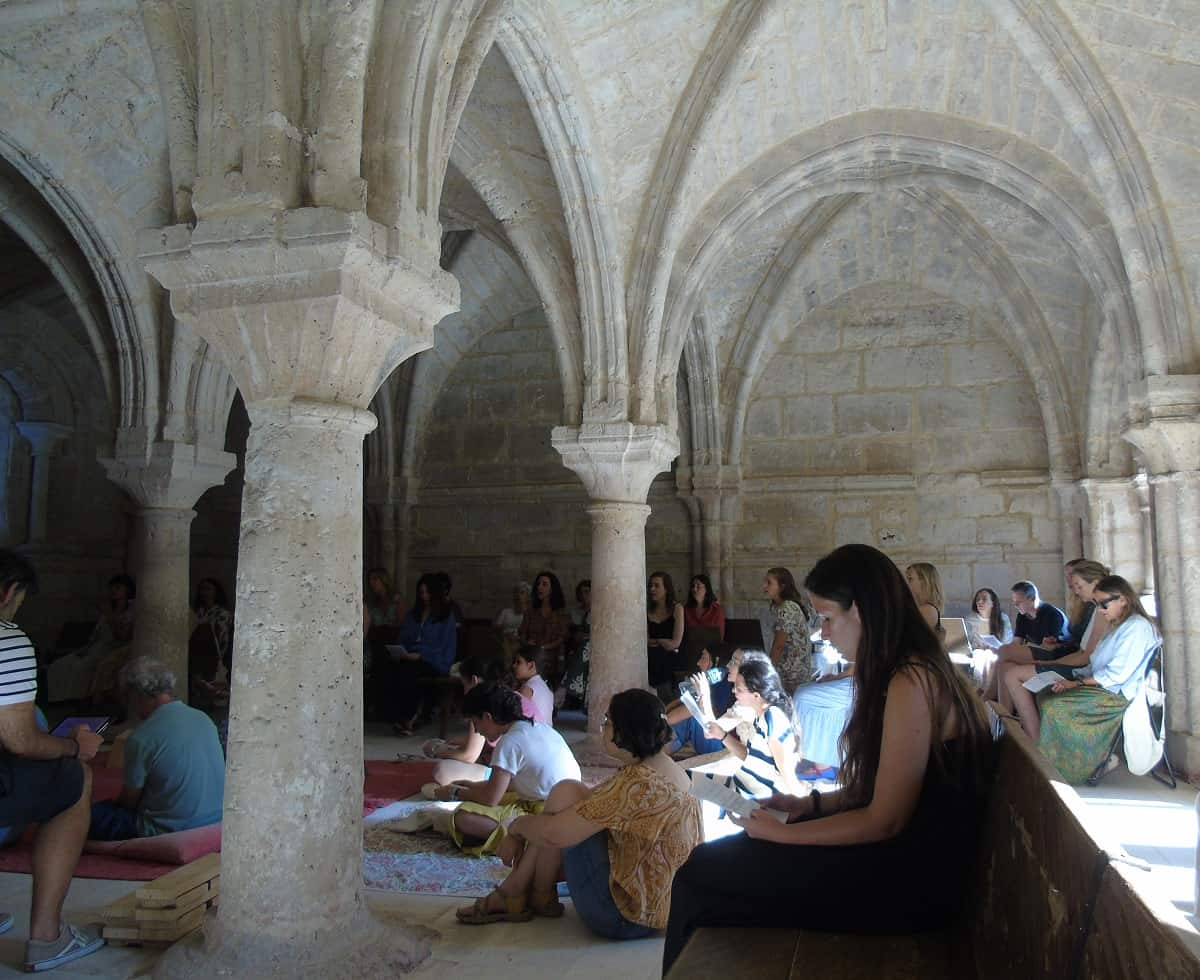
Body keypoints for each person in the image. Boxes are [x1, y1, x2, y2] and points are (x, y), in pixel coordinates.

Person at [663, 544, 993, 973]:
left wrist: (783, 837)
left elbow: (886, 820)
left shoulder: (912, 680)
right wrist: (810, 805)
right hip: (899, 861)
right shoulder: (908, 670)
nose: (823, 632)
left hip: (907, 883)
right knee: (717, 866)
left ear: (862, 611)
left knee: (700, 876)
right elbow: (883, 792)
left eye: (827, 618)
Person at [456, 688, 702, 938]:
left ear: (626, 731)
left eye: (607, 722)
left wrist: (516, 828)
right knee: (567, 792)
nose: (602, 728)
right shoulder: (664, 769)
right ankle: (531, 893)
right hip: (664, 908)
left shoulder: (638, 784)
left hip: (625, 918)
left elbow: (555, 835)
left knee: (559, 820)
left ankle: (516, 892)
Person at [0, 550, 106, 972]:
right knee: (73, 779)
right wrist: (72, 747)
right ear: (9, 591)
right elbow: (19, 740)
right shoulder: (7, 639)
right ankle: (48, 938)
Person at [430, 683, 580, 856]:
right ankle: (536, 834)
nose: (477, 730)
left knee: (462, 818)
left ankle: (528, 838)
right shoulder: (539, 728)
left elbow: (490, 798)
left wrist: (454, 793)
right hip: (567, 805)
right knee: (491, 800)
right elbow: (512, 785)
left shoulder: (509, 741)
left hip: (546, 810)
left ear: (487, 717)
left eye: (475, 722)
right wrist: (471, 786)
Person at [1035, 575, 1159, 782]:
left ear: (1123, 599)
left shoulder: (1136, 627)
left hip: (1114, 695)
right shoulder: (1120, 624)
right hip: (1103, 686)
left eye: (1104, 604)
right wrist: (1074, 677)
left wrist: (1076, 683)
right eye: (1097, 604)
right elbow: (1098, 662)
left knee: (1055, 706)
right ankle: (1058, 760)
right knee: (1045, 694)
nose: (1101, 610)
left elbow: (1116, 674)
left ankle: (1079, 765)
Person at [89, 657, 225, 841]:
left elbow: (129, 802)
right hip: (215, 820)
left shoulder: (141, 738)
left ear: (136, 694)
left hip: (170, 829)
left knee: (86, 815)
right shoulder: (203, 719)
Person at [694, 658, 802, 800]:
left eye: (738, 689)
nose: (733, 692)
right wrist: (722, 735)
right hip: (742, 787)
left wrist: (802, 802)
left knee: (685, 784)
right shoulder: (761, 715)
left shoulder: (774, 719)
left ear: (756, 695)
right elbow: (748, 756)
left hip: (759, 798)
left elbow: (786, 771)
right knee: (686, 780)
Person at [424, 656, 520, 786]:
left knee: (442, 771)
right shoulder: (507, 695)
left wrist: (437, 751)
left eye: (464, 684)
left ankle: (499, 782)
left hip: (513, 775)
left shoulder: (483, 702)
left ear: (474, 680)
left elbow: (469, 756)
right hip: (520, 767)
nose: (464, 690)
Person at [45, 573, 135, 703]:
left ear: (127, 590)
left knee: (81, 667)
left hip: (112, 649)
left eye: (118, 588)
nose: (113, 591)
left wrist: (110, 617)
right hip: (95, 647)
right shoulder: (108, 609)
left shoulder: (130, 612)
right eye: (112, 588)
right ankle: (59, 699)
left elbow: (121, 637)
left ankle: (79, 699)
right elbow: (96, 635)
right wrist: (85, 648)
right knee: (58, 666)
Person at [390, 573, 458, 735]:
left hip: (433, 660)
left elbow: (446, 647)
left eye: (428, 593)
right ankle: (399, 715)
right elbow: (404, 637)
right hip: (410, 657)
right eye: (421, 593)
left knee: (410, 672)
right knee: (391, 669)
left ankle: (410, 717)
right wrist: (402, 651)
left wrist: (422, 655)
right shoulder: (414, 614)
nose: (425, 596)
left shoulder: (446, 616)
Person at [665, 643, 736, 756]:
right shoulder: (718, 680)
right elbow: (682, 701)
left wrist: (662, 721)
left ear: (716, 661)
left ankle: (657, 753)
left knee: (691, 717)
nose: (698, 663)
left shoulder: (721, 679)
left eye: (703, 658)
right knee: (682, 715)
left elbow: (692, 708)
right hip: (716, 738)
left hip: (722, 747)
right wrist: (663, 714)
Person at [763, 566, 814, 694]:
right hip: (792, 673)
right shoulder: (785, 607)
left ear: (782, 586)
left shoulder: (787, 608)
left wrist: (767, 671)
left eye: (769, 583)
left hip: (792, 676)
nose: (764, 586)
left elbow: (779, 646)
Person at [189, 577, 233, 710]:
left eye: (208, 589)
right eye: (202, 589)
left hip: (215, 659)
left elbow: (224, 639)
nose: (204, 592)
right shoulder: (196, 612)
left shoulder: (223, 614)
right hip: (195, 659)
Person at [518, 572, 570, 681]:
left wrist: (542, 648)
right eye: (538, 584)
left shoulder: (561, 613)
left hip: (551, 656)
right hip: (531, 656)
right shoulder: (530, 611)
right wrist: (528, 644)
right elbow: (522, 633)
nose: (539, 587)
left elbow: (561, 638)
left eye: (544, 584)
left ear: (552, 589)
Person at [647, 571, 686, 690]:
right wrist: (662, 642)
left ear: (666, 589)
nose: (652, 589)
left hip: (671, 659)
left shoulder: (677, 608)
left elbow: (675, 643)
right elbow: (645, 641)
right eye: (650, 585)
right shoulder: (646, 611)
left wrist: (657, 641)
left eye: (657, 585)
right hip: (651, 658)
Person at [560, 580, 592, 709]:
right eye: (581, 592)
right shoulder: (581, 613)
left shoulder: (600, 610)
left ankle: (564, 688)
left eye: (587, 592)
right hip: (577, 647)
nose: (584, 595)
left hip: (591, 647)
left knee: (586, 647)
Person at [514, 644, 554, 725]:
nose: (514, 665)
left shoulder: (527, 689)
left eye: (518, 662)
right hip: (548, 734)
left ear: (531, 666)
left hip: (534, 736)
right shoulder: (545, 687)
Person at [904, 562, 944, 635]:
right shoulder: (922, 607)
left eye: (910, 579)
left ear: (925, 581)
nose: (906, 583)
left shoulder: (928, 610)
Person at [495, 582, 531, 661]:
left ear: (528, 596)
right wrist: (505, 634)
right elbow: (496, 630)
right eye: (516, 593)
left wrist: (518, 638)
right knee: (506, 644)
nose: (518, 595)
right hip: (505, 641)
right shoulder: (506, 612)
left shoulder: (530, 614)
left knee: (515, 647)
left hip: (522, 642)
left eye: (522, 593)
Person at [683, 574, 725, 639]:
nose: (694, 589)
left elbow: (720, 635)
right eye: (693, 586)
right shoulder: (686, 609)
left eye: (698, 586)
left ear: (706, 589)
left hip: (711, 646)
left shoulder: (716, 609)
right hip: (691, 646)